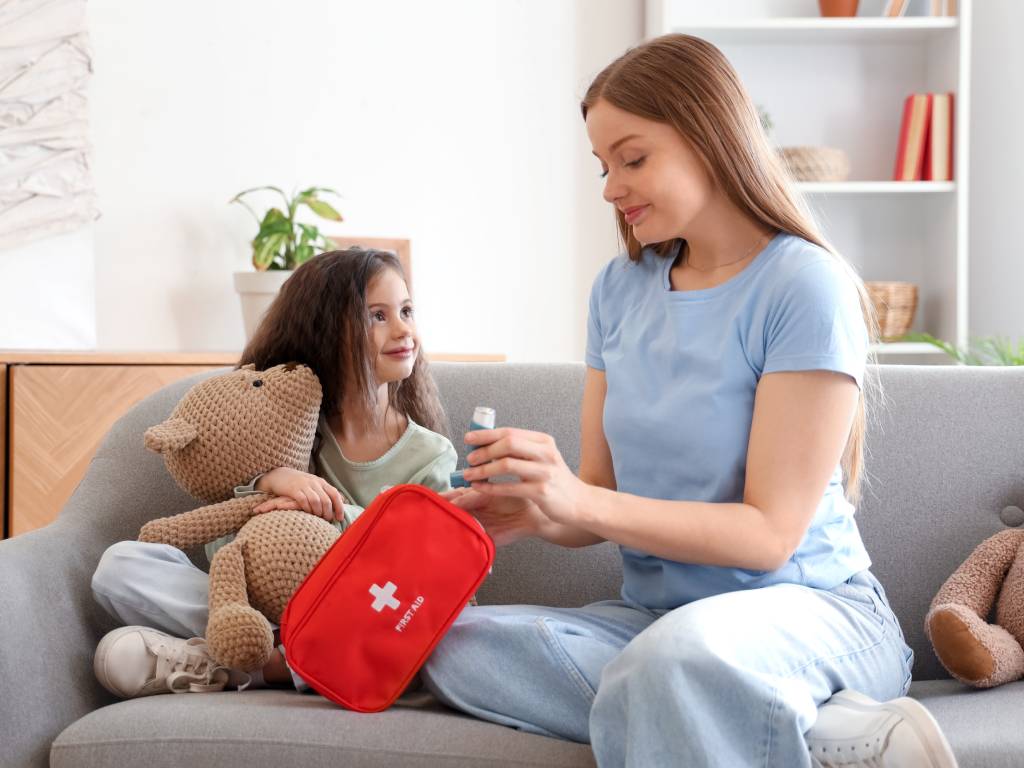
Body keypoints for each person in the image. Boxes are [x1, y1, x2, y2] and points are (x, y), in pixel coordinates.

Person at [419, 34, 958, 768]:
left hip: (811, 612)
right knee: (448, 644)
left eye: (633, 159)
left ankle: (723, 695)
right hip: (658, 621)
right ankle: (801, 725)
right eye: (603, 165)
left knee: (673, 661)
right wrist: (541, 510)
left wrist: (582, 501)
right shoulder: (618, 290)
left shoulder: (805, 286)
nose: (610, 187)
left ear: (710, 137)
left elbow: (768, 536)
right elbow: (603, 492)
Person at [90, 247, 457, 697]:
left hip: (354, 620)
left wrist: (331, 512)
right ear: (328, 331)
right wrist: (267, 483)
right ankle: (268, 652)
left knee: (425, 640)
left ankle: (249, 666)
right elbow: (227, 551)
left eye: (406, 311)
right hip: (261, 606)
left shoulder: (430, 455)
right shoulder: (285, 425)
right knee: (119, 566)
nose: (403, 330)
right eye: (377, 316)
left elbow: (425, 577)